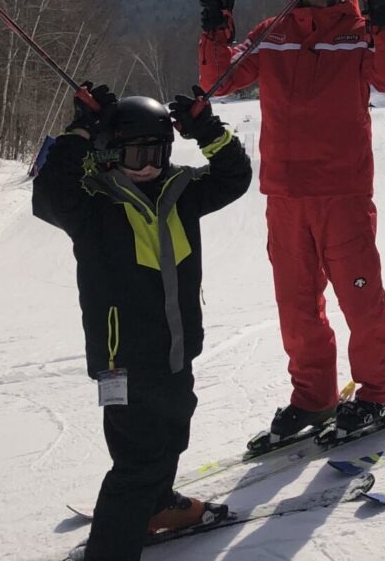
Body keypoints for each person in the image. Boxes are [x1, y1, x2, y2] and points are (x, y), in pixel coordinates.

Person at [196, 0, 385, 448]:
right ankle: (314, 396)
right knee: (296, 307)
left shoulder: (359, 33)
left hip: (343, 192)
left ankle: (382, 390)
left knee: (360, 297)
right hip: (286, 194)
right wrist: (215, 25)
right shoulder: (273, 33)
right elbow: (217, 81)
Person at [32, 82, 252, 561]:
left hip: (177, 349)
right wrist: (81, 129)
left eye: (156, 151)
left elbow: (235, 177)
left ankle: (157, 507)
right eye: (134, 155)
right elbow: (48, 194)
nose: (147, 164)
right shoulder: (95, 205)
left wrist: (207, 129)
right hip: (125, 361)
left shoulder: (182, 191)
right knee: (137, 462)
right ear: (112, 154)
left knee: (174, 432)